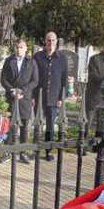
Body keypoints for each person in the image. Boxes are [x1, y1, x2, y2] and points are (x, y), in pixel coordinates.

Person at [0, 39, 39, 164]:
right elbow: (3, 79)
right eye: (17, 47)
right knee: (9, 126)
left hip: (24, 98)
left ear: (26, 48)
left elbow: (34, 81)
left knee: (24, 127)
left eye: (21, 47)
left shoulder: (31, 62)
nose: (19, 50)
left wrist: (22, 91)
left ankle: (22, 153)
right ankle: (7, 152)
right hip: (11, 97)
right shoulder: (8, 61)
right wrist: (11, 89)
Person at [32, 32, 69, 161]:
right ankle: (35, 149)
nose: (50, 43)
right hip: (39, 97)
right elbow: (33, 77)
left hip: (54, 98)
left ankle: (49, 150)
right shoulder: (37, 57)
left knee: (50, 126)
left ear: (56, 42)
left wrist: (61, 98)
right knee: (37, 125)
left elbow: (64, 80)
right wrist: (32, 96)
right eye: (48, 40)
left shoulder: (62, 58)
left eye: (53, 40)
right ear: (45, 41)